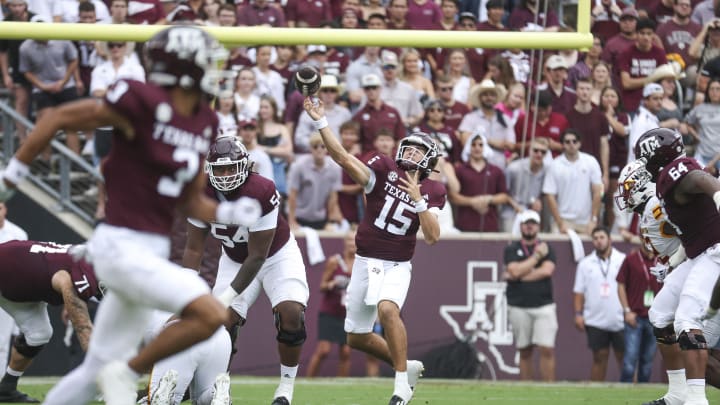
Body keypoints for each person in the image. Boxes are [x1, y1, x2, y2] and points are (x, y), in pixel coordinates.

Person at [0, 26, 263, 405]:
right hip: (120, 246)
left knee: (92, 374)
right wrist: (13, 174)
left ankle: (116, 375)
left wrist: (228, 209)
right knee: (210, 314)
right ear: (182, 65)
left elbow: (191, 203)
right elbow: (56, 118)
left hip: (147, 253)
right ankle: (129, 372)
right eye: (205, 60)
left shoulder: (203, 120)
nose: (213, 68)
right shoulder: (140, 98)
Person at [303, 98, 445, 404]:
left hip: (396, 264)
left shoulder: (435, 190)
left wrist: (419, 200)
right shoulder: (383, 168)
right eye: (408, 147)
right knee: (356, 337)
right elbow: (342, 157)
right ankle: (407, 366)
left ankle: (400, 387)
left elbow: (432, 236)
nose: (409, 153)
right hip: (365, 262)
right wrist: (320, 121)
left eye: (418, 151)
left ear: (429, 160)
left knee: (387, 309)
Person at [183, 136, 309, 405]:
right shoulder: (198, 192)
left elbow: (257, 256)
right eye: (220, 169)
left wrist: (225, 298)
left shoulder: (261, 190)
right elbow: (193, 249)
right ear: (209, 169)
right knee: (221, 324)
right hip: (233, 259)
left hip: (276, 255)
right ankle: (216, 388)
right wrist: (185, 291)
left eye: (231, 169)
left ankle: (285, 389)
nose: (226, 175)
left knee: (291, 314)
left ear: (245, 166)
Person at [634, 127, 720, 405]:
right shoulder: (669, 176)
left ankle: (696, 400)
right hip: (701, 253)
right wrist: (673, 262)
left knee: (686, 319)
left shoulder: (675, 171)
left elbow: (698, 179)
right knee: (660, 314)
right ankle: (678, 393)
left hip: (715, 252)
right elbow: (693, 229)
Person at [615, 159, 688, 405]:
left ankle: (684, 396)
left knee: (692, 338)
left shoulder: (655, 206)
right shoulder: (651, 208)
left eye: (627, 189)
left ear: (641, 185)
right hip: (688, 269)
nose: (625, 196)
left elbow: (689, 232)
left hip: (696, 268)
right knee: (675, 328)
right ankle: (681, 395)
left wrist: (674, 264)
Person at [0, 240, 102, 403]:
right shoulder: (76, 276)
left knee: (39, 333)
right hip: (6, 268)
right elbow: (84, 330)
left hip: (21, 285)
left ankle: (6, 388)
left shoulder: (85, 260)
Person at [503, 210, 557, 381]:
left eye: (532, 223)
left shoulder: (547, 248)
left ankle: (548, 390)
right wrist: (536, 258)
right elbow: (513, 269)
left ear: (538, 226)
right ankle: (527, 389)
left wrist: (519, 275)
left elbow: (546, 271)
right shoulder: (512, 248)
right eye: (526, 223)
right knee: (524, 350)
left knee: (546, 348)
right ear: (520, 226)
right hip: (518, 305)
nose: (529, 226)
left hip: (543, 305)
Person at [573, 227, 626, 381]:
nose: (599, 241)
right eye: (595, 238)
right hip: (595, 318)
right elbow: (578, 291)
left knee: (624, 358)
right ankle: (596, 392)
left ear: (609, 239)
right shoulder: (585, 263)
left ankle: (630, 392)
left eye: (602, 237)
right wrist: (578, 314)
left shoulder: (622, 260)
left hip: (619, 317)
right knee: (599, 357)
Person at [306, 230, 356, 377]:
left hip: (348, 314)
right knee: (324, 350)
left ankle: (342, 385)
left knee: (346, 352)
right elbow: (322, 285)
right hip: (330, 312)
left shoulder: (362, 264)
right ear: (344, 242)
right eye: (349, 240)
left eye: (354, 240)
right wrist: (333, 283)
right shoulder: (334, 261)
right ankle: (308, 382)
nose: (352, 244)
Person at [616, 242, 662, 383]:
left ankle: (643, 392)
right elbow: (620, 285)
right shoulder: (631, 259)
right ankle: (623, 393)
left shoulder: (661, 260)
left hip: (655, 318)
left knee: (647, 362)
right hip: (635, 317)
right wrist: (626, 310)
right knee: (630, 360)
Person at [543, 129, 603, 234]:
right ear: (563, 145)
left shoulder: (591, 161)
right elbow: (550, 195)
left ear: (579, 144)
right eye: (567, 142)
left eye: (574, 141)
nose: (571, 144)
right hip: (563, 221)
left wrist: (593, 220)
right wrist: (559, 222)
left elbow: (598, 191)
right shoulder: (554, 165)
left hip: (586, 222)